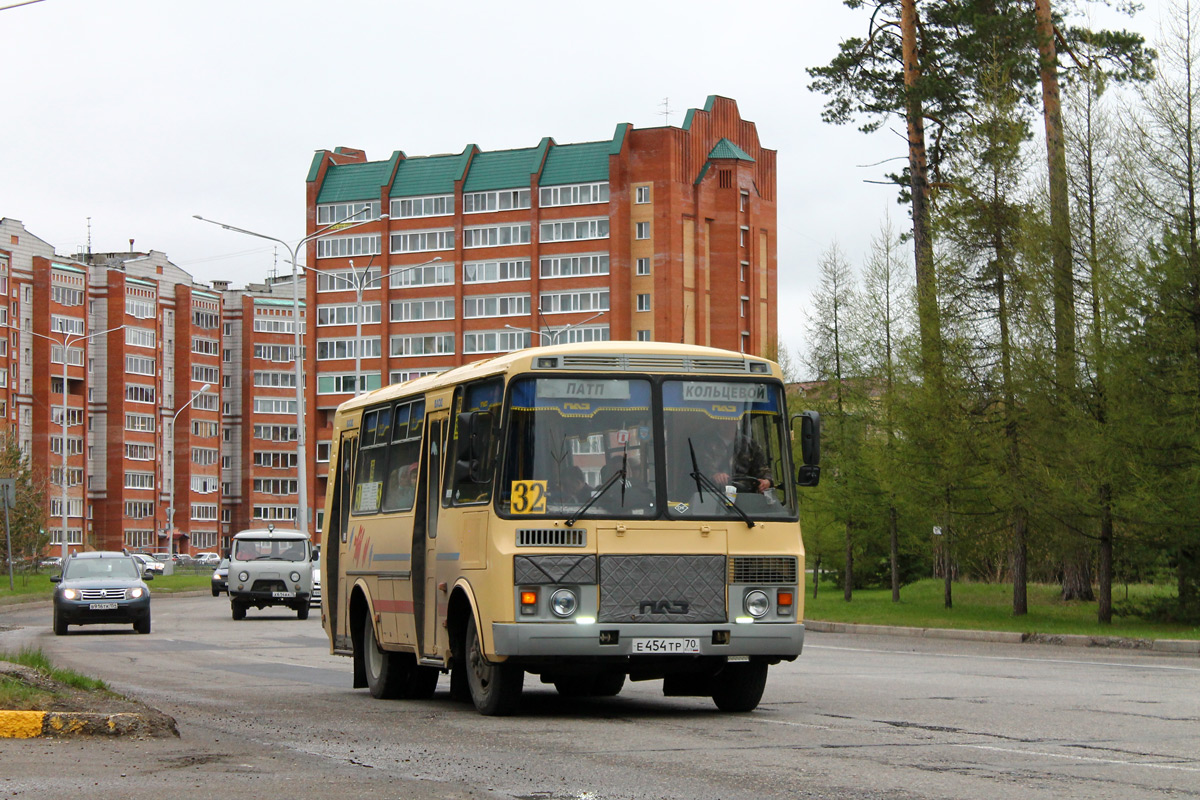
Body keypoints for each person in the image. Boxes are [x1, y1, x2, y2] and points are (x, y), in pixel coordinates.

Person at [697, 419, 773, 493]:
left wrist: (766, 481)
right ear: (717, 421)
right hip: (714, 496)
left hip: (747, 498)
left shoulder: (750, 445)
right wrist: (715, 475)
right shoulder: (706, 445)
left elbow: (763, 470)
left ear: (736, 420)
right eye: (723, 419)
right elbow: (704, 468)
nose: (726, 423)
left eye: (730, 420)